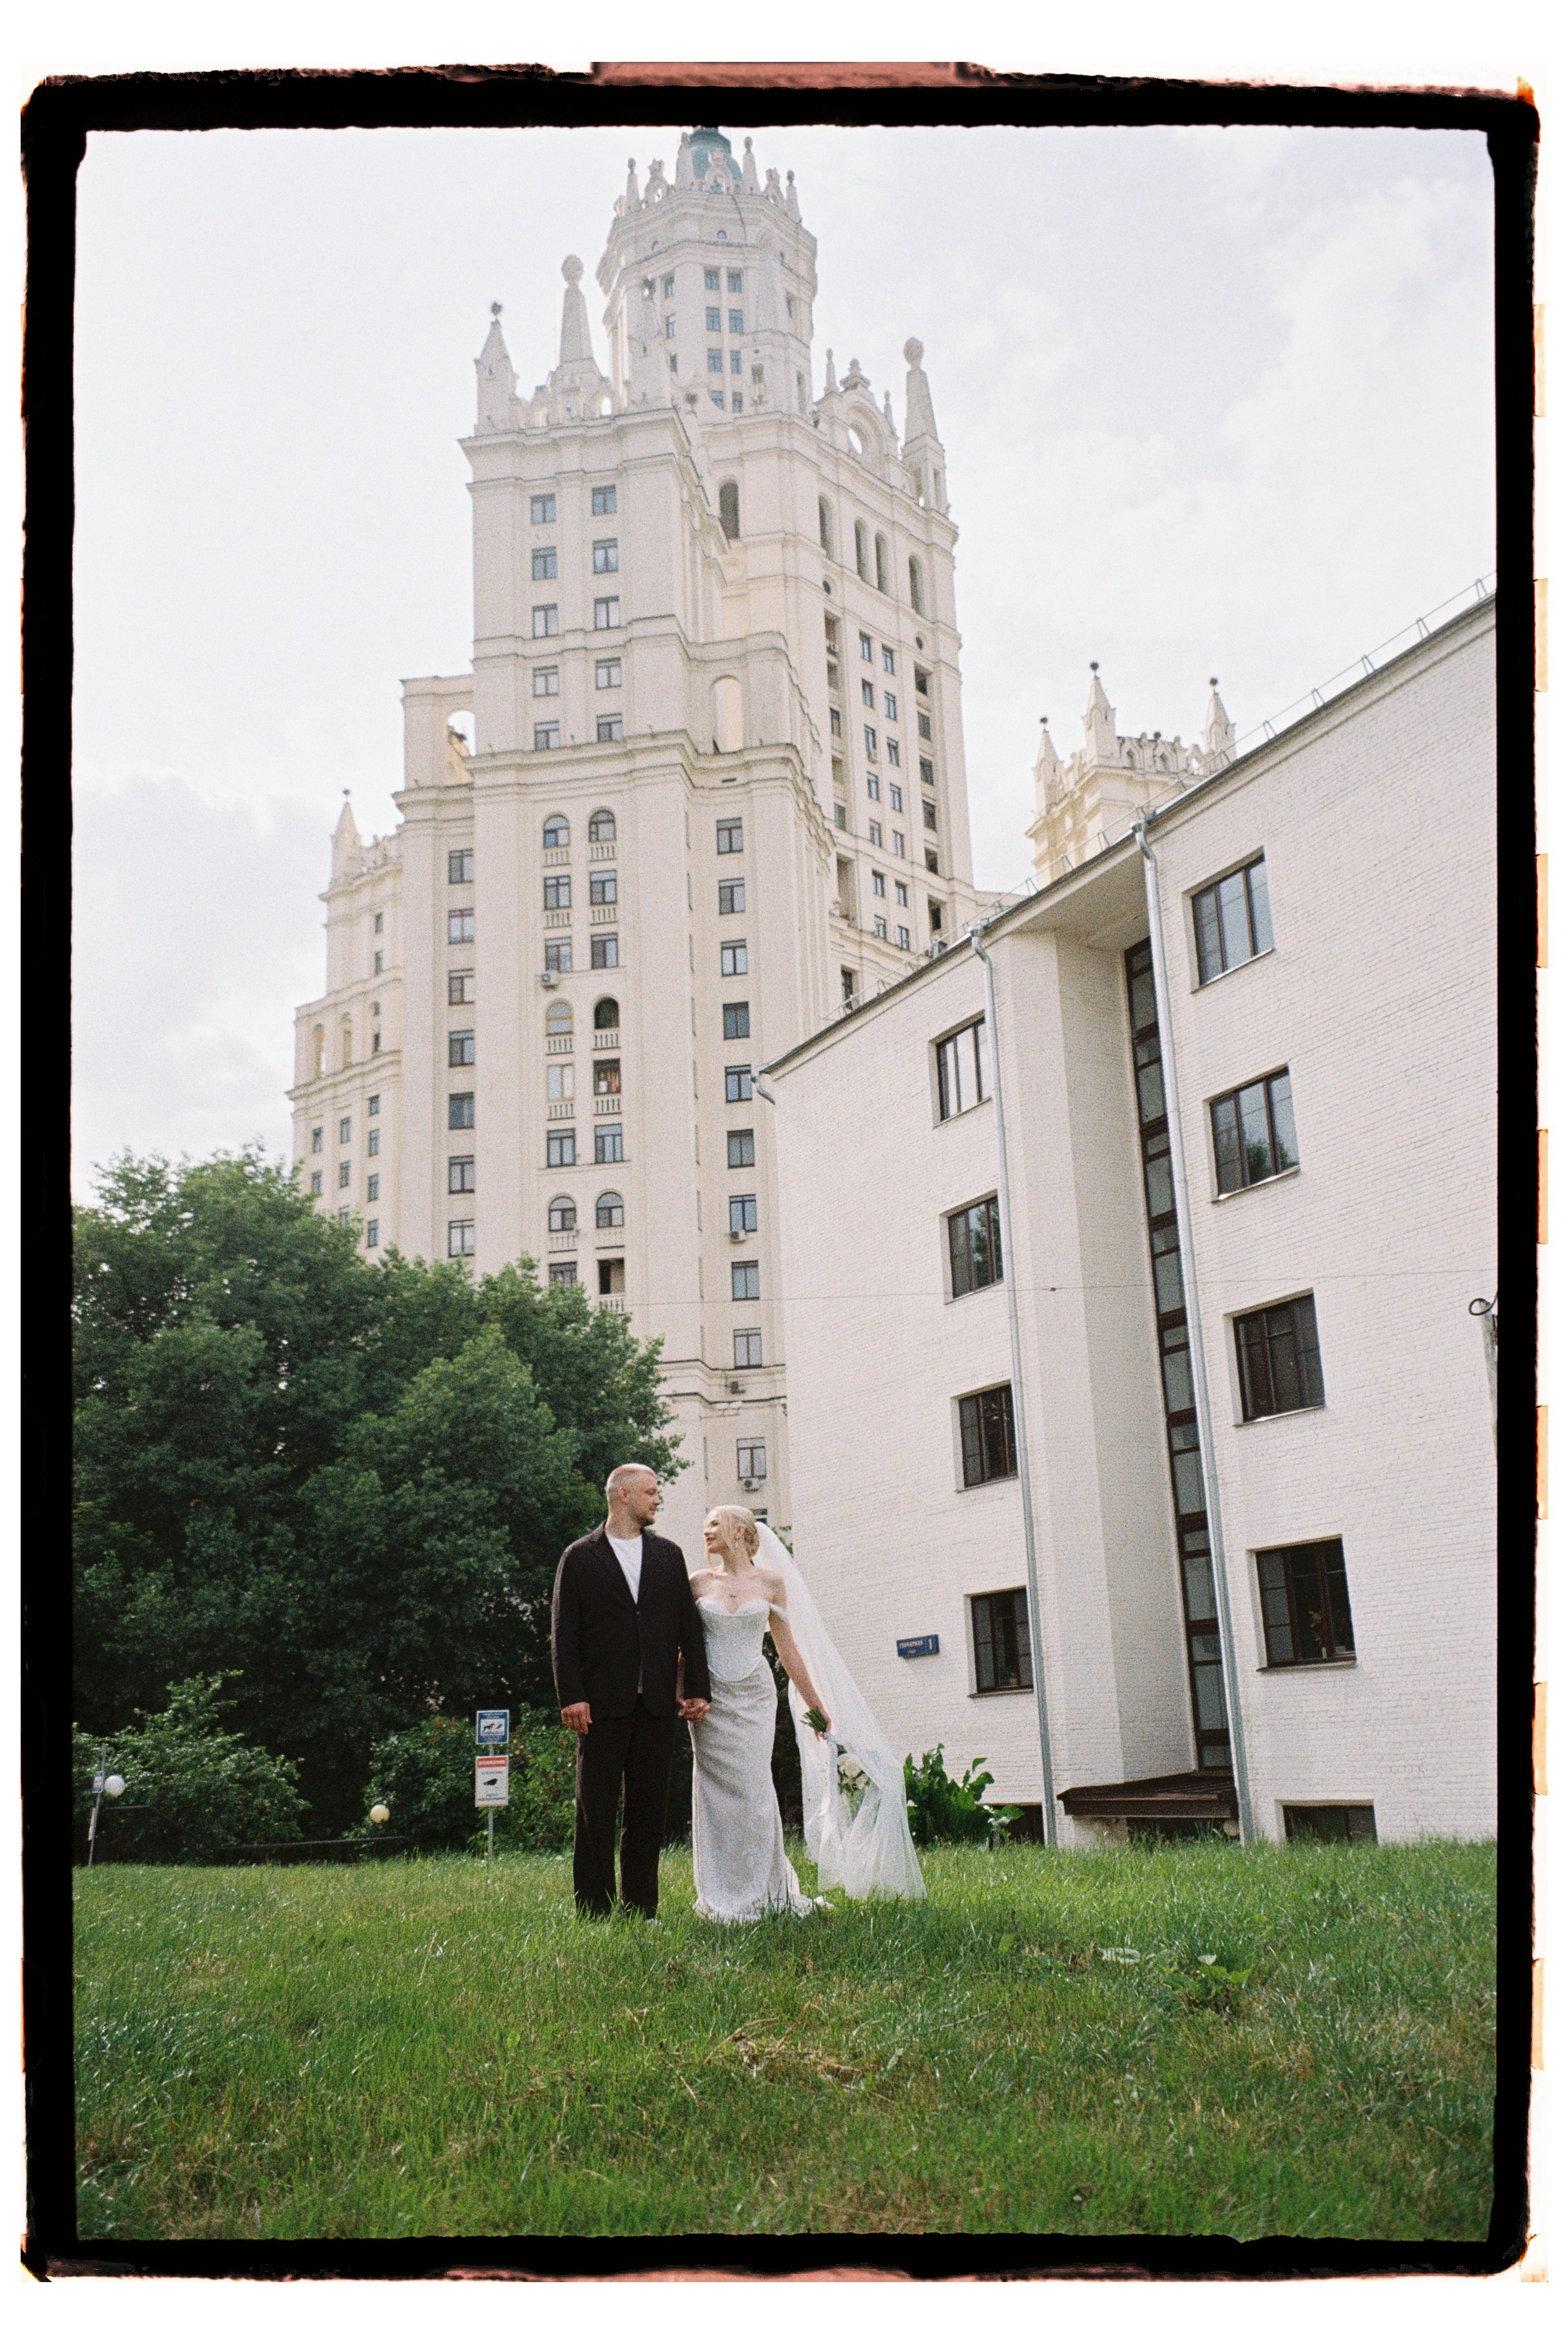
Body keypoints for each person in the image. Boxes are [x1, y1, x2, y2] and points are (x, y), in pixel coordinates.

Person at [685, 1507, 925, 1921]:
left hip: (754, 1698)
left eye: (714, 1524)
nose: (706, 1531)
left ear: (739, 1530)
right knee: (714, 1795)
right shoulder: (697, 1583)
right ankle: (720, 1892)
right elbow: (683, 1645)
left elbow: (788, 1650)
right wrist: (683, 1691)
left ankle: (766, 1888)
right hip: (712, 1700)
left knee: (756, 1791)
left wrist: (816, 1705)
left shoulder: (772, 1583)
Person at [551, 1464, 711, 1919]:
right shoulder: (579, 1557)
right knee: (595, 1812)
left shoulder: (668, 1555)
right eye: (650, 1492)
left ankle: (642, 1908)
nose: (657, 1500)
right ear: (623, 1495)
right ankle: (595, 1911)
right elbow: (563, 1633)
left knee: (647, 1812)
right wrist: (571, 1696)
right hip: (600, 1705)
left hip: (657, 1703)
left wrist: (698, 1688)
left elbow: (688, 1627)